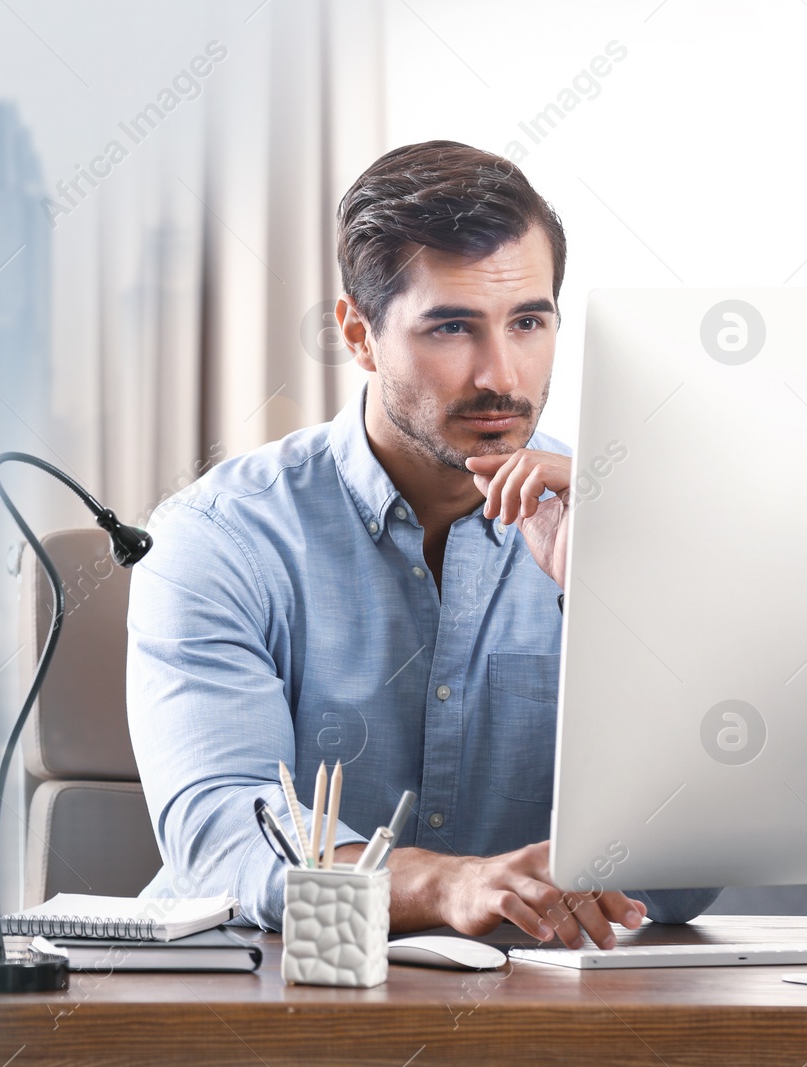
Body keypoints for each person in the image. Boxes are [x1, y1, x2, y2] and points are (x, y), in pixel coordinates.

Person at [126, 140, 720, 949]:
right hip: (278, 997)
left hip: (546, 1012)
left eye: (528, 321)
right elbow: (221, 842)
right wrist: (446, 884)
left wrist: (606, 603)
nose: (500, 374)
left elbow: (685, 875)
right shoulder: (218, 538)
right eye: (450, 327)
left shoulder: (623, 524)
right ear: (359, 335)